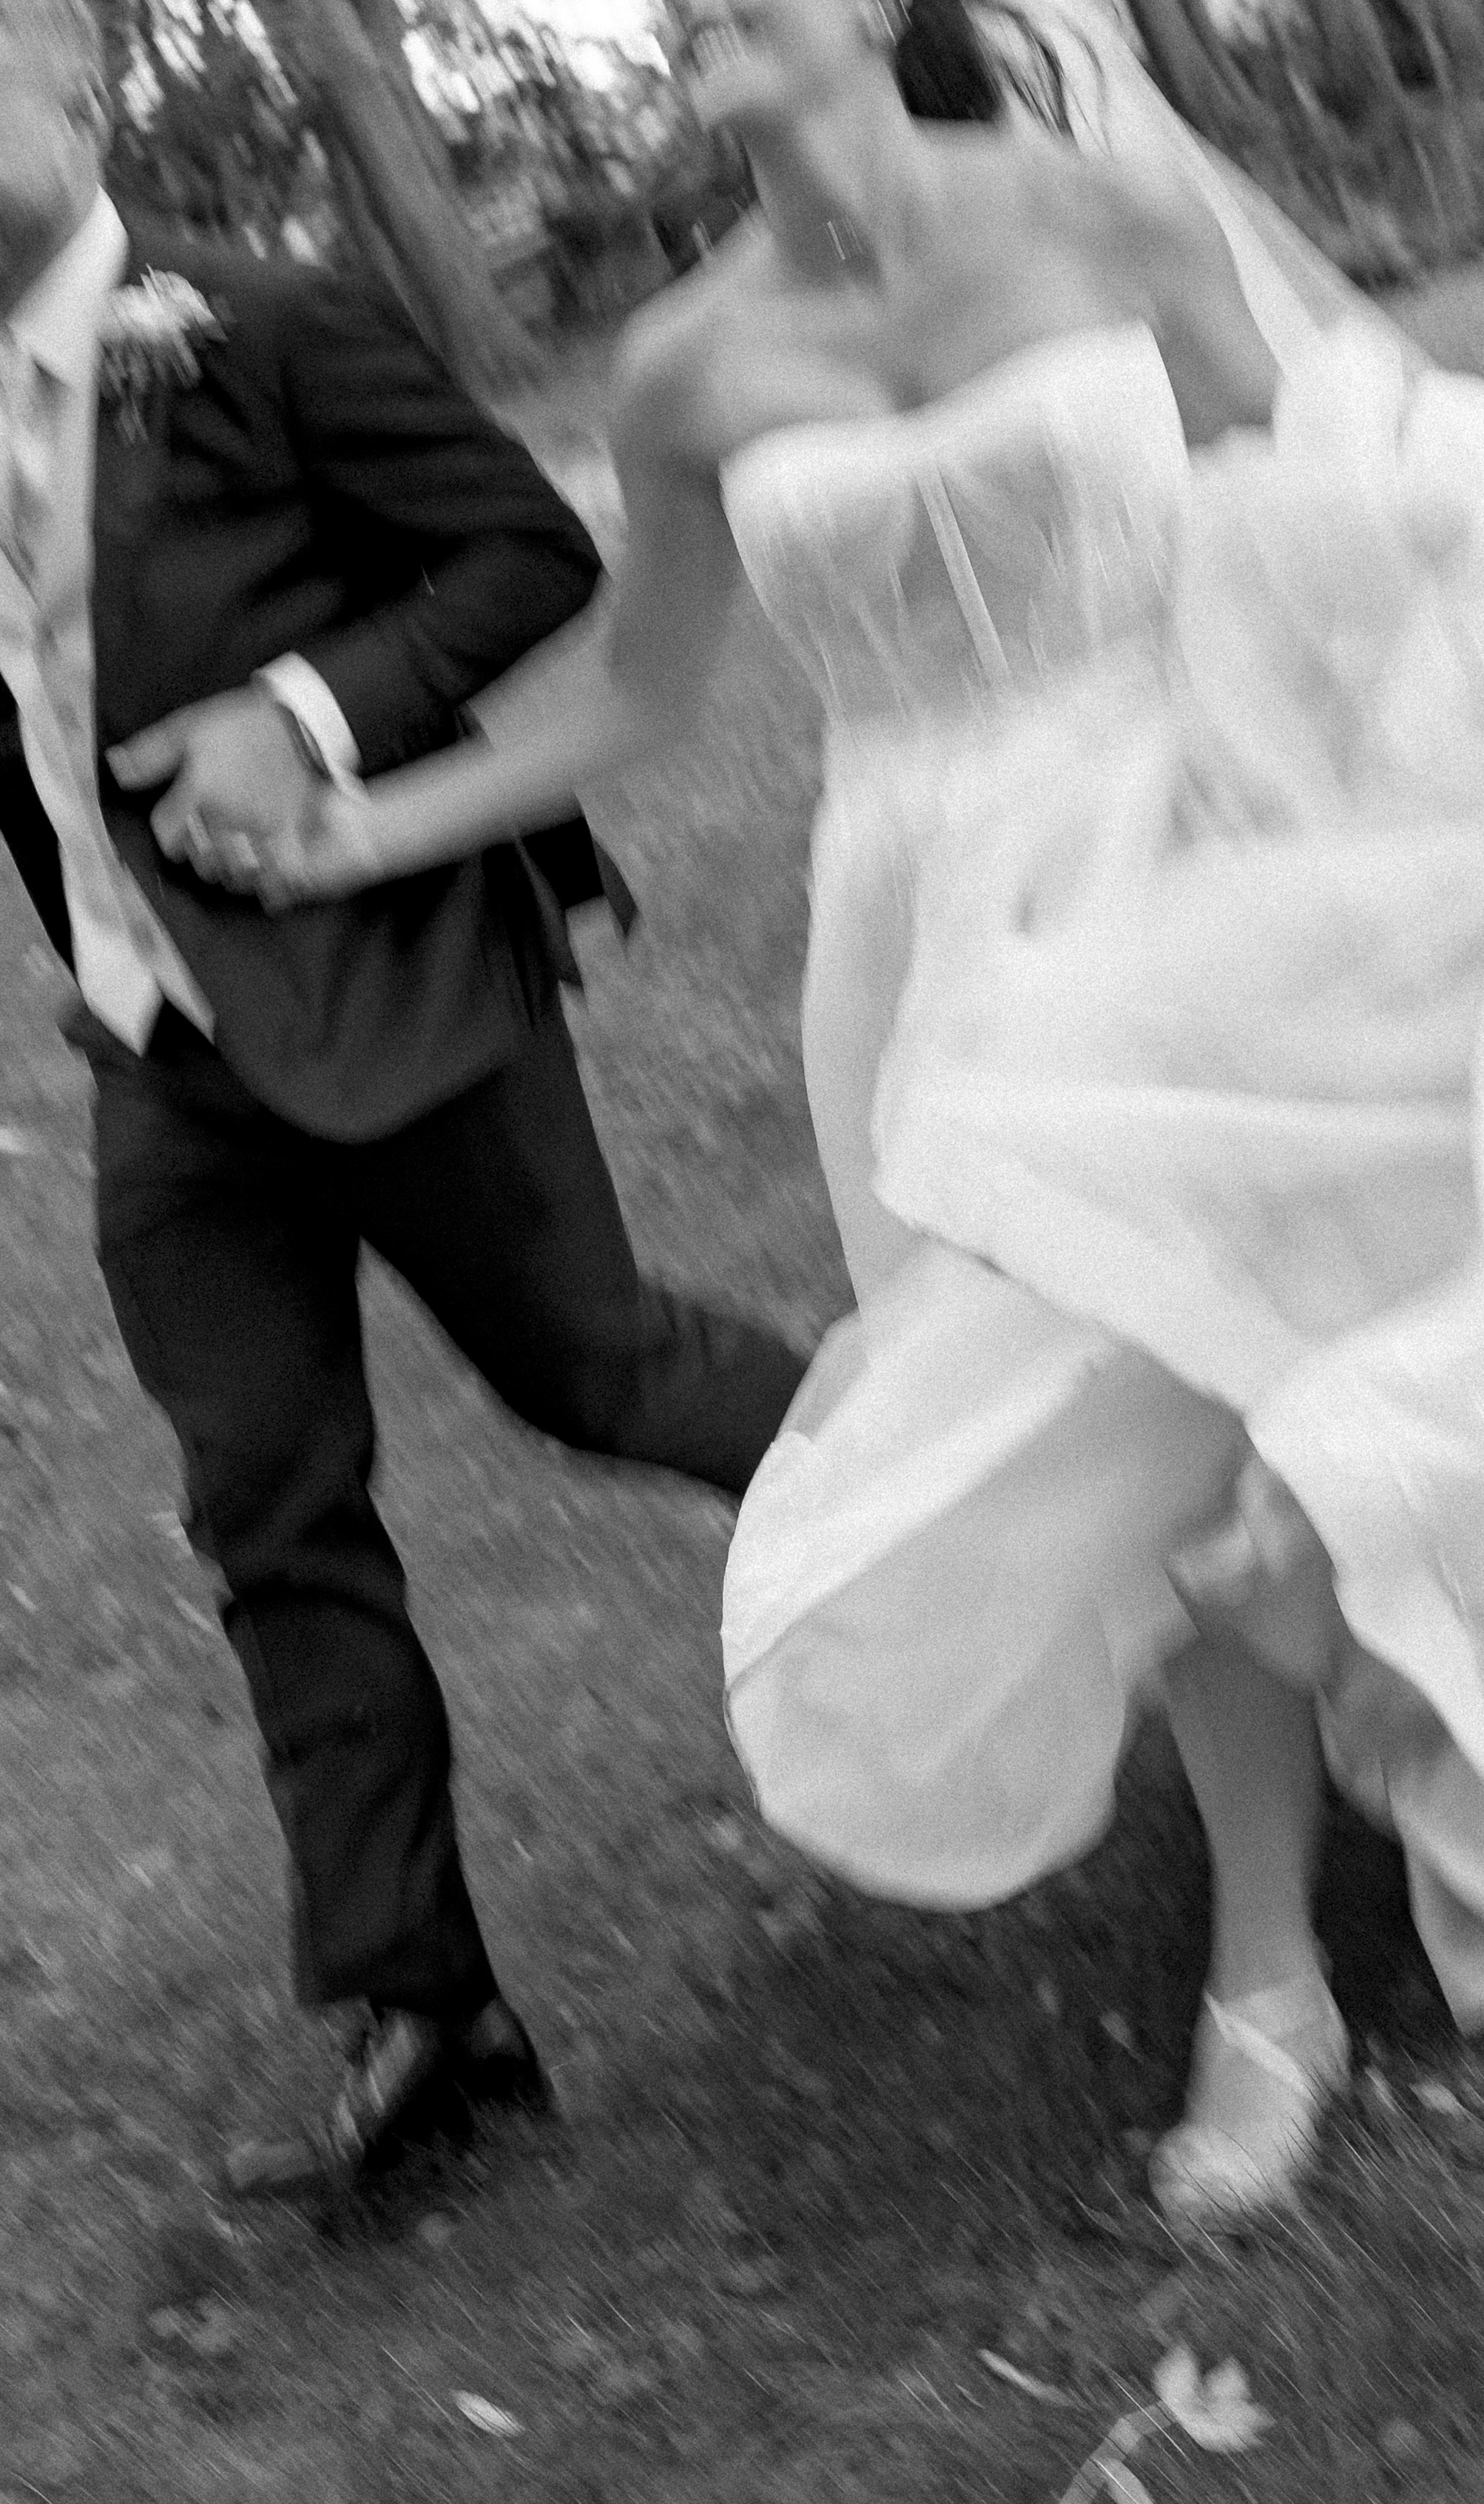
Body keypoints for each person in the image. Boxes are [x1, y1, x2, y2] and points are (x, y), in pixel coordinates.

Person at [195, 0, 1484, 2242]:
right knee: (1098, 1416)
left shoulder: (1110, 211)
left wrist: (1475, 670)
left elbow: (1326, 492)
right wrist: (360, 829)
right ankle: (1271, 1976)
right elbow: (644, 683)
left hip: (1178, 845)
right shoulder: (685, 368)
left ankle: (1312, 1771)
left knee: (1200, 1365)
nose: (697, 15)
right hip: (915, 933)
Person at [0, 0, 806, 2201]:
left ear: (73, 91)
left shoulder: (255, 323)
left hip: (399, 984)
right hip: (159, 1050)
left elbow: (525, 559)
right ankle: (422, 2006)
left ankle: (995, 1520)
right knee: (268, 1506)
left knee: (599, 1371)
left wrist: (301, 709)